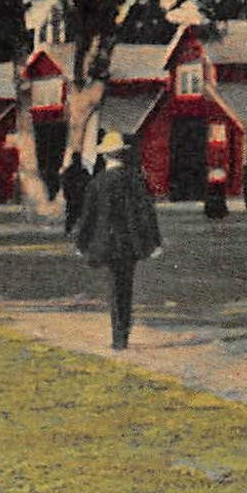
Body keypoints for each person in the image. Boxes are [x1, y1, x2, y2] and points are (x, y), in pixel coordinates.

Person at [74, 131, 162, 351]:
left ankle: (118, 337)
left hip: (106, 242)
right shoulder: (135, 180)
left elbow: (88, 216)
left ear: (105, 157)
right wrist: (154, 241)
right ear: (122, 155)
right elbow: (147, 213)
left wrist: (81, 243)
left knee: (114, 287)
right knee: (126, 287)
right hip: (130, 243)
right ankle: (123, 334)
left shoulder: (98, 182)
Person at [61, 156, 91, 236]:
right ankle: (76, 231)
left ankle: (69, 230)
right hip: (79, 196)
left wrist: (66, 194)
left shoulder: (69, 171)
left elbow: (64, 183)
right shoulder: (83, 171)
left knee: (72, 215)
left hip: (73, 197)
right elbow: (88, 182)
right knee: (80, 214)